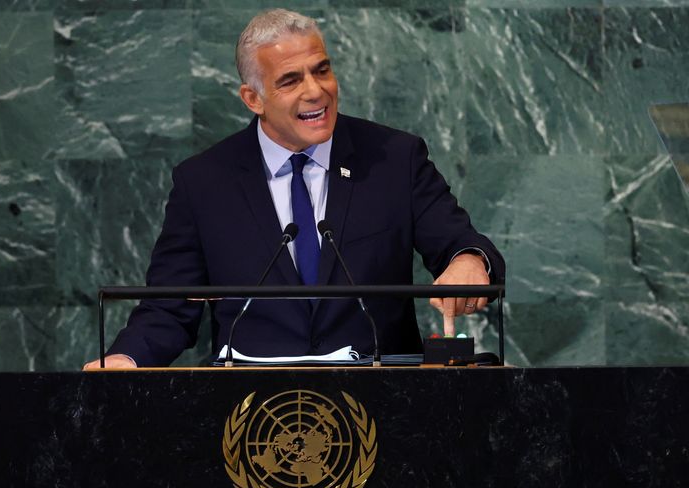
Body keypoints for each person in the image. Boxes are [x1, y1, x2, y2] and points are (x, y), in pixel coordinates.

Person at [84, 9, 504, 369]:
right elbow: (169, 307)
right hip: (250, 416)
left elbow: (459, 243)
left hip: (382, 404)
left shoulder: (394, 159)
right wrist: (128, 358)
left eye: (322, 70)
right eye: (290, 80)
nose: (315, 90)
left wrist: (470, 260)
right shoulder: (203, 182)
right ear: (253, 98)